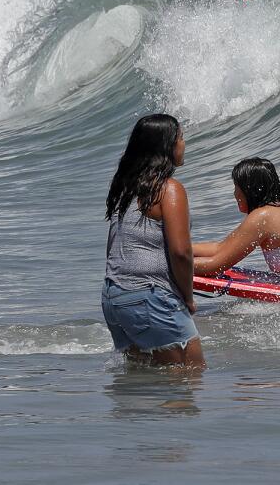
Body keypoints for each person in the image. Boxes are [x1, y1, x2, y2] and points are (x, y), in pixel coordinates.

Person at [101, 114, 205, 369]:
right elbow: (180, 252)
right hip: (149, 296)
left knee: (141, 381)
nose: (184, 143)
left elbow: (112, 247)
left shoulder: (126, 189)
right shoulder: (169, 189)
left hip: (113, 297)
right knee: (189, 377)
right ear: (167, 146)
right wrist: (188, 298)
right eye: (180, 137)